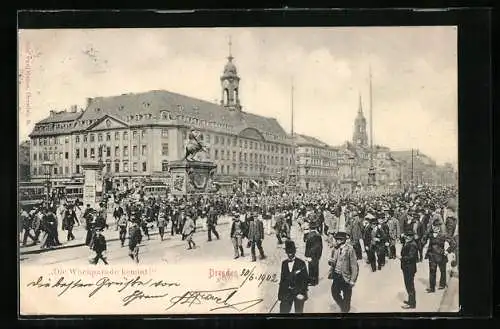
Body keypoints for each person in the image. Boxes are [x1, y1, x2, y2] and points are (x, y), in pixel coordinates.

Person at [327, 231, 359, 313]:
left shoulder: (350, 250)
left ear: (342, 240)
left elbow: (354, 266)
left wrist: (352, 280)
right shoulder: (335, 249)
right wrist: (331, 262)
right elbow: (333, 261)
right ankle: (343, 306)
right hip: (337, 275)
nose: (336, 241)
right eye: (336, 239)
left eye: (338, 239)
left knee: (347, 296)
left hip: (346, 276)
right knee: (334, 292)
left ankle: (345, 310)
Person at [421, 220, 455, 292]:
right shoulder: (430, 234)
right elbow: (423, 241)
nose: (436, 228)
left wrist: (447, 251)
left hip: (441, 255)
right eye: (434, 227)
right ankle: (432, 288)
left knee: (442, 270)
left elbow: (453, 243)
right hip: (432, 255)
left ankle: (442, 284)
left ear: (439, 227)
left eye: (438, 227)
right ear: (432, 227)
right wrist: (424, 237)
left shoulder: (443, 235)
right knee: (432, 271)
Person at [277, 240, 309, 313]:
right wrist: (280, 295)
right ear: (286, 252)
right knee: (283, 312)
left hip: (298, 292)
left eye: (291, 252)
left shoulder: (301, 263)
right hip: (287, 293)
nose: (290, 254)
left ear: (295, 252)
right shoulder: (284, 263)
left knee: (298, 314)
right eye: (288, 252)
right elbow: (282, 279)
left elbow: (305, 280)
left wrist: (301, 293)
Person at [400, 229, 419, 309]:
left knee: (410, 285)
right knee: (408, 285)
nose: (407, 237)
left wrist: (402, 258)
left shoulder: (413, 245)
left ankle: (412, 304)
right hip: (407, 267)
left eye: (409, 236)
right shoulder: (408, 242)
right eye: (407, 235)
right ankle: (410, 300)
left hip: (409, 268)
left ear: (412, 237)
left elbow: (411, 257)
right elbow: (402, 241)